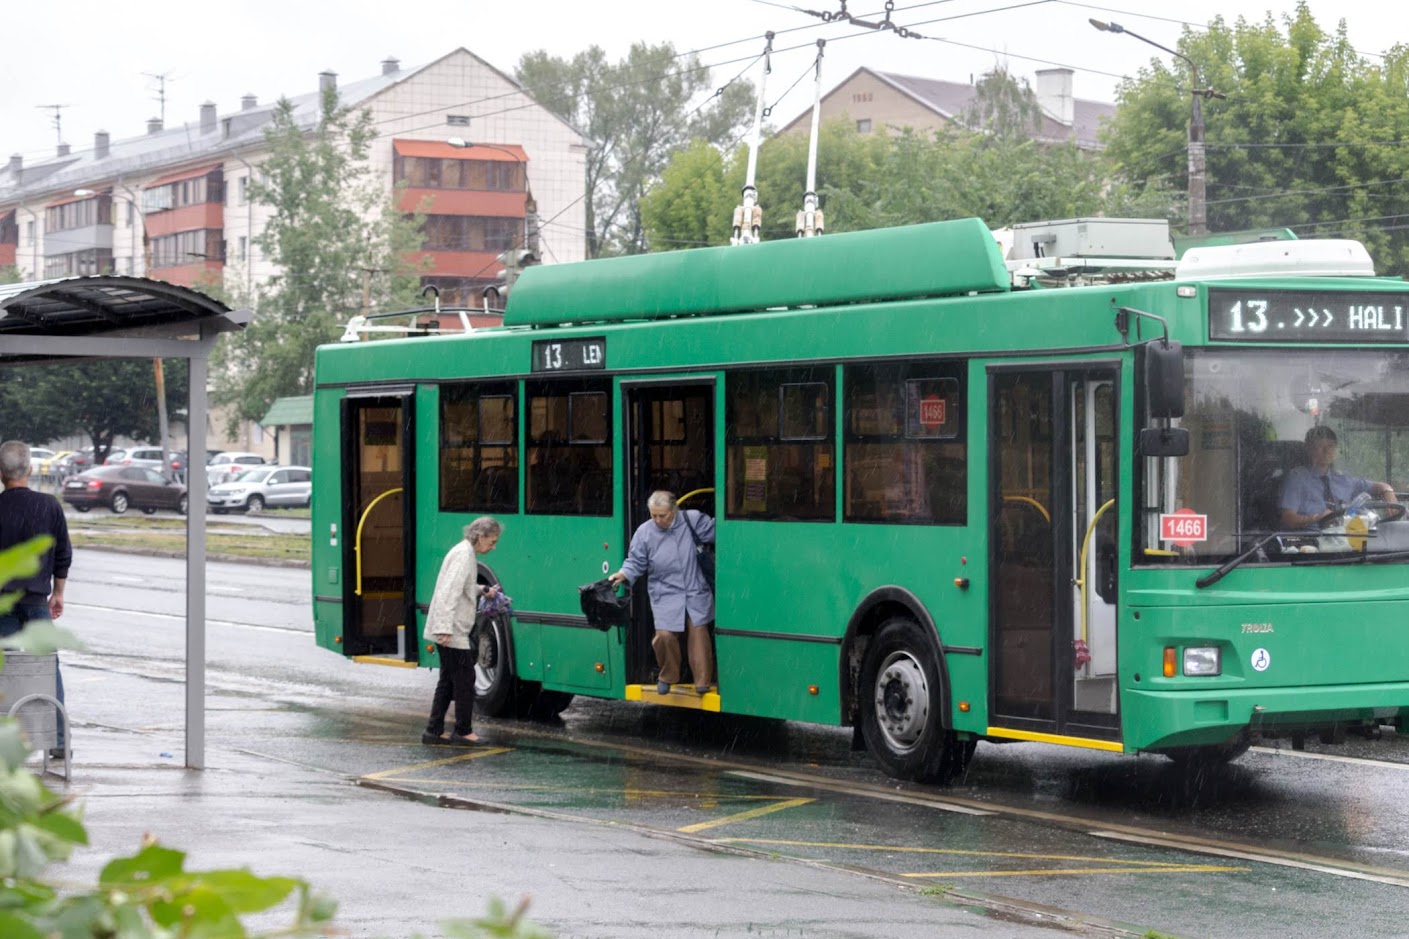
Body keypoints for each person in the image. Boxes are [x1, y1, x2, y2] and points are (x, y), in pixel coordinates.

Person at [0, 441, 72, 760]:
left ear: (0, 474)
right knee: (47, 669)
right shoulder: (49, 506)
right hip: (37, 601)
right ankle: (57, 740)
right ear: (30, 470)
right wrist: (58, 593)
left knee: (3, 671)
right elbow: (62, 554)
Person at [609, 491, 715, 696]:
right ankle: (669, 675)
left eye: (662, 515)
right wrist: (623, 574)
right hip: (665, 593)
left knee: (699, 634)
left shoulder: (692, 520)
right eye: (653, 515)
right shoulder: (644, 532)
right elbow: (635, 561)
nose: (657, 520)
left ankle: (702, 681)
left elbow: (723, 530)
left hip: (695, 590)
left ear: (674, 510)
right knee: (664, 636)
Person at [422, 516, 504, 746]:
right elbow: (448, 592)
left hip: (449, 628)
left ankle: (434, 731)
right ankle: (463, 731)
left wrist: (483, 590)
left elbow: (462, 586)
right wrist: (444, 627)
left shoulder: (464, 552)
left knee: (448, 680)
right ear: (480, 536)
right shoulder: (463, 556)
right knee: (465, 680)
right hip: (452, 630)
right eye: (492, 541)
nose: (493, 547)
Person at [1280, 426, 1397, 529]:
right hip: (1311, 540)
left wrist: (1388, 491)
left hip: (1343, 540)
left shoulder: (1344, 480)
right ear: (1309, 449)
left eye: (1330, 446)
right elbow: (1288, 519)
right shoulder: (1297, 478)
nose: (1326, 451)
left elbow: (1379, 486)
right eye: (1320, 446)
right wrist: (1316, 518)